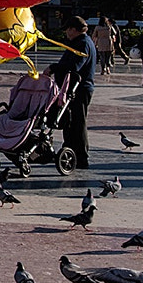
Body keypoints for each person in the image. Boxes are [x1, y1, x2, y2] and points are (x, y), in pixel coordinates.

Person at [50, 14, 96, 168]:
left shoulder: (82, 44)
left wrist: (54, 68)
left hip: (79, 89)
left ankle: (81, 156)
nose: (66, 33)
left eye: (67, 30)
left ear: (73, 29)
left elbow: (74, 66)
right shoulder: (81, 42)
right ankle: (71, 150)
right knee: (70, 122)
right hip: (76, 88)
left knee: (78, 122)